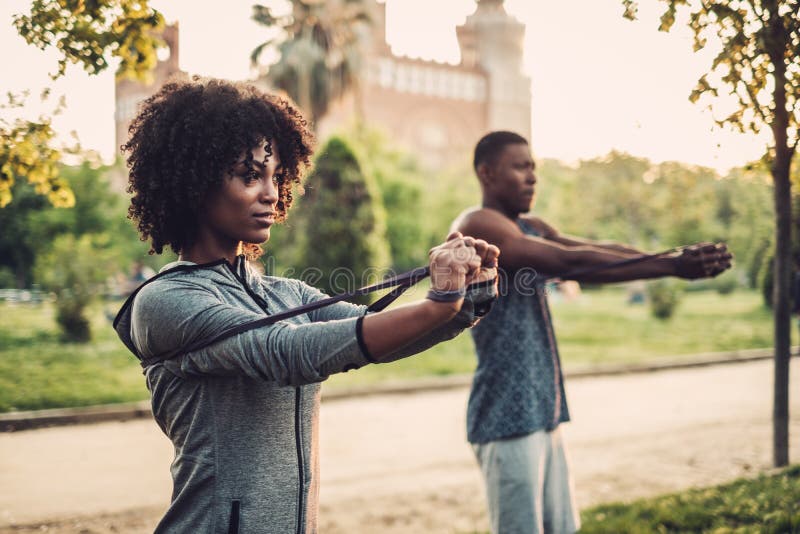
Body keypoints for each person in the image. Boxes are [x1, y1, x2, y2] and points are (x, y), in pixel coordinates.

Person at [113, 76, 499, 534]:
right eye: (250, 176)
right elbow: (289, 352)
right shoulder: (167, 301)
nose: (271, 194)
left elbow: (370, 334)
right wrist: (437, 302)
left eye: (276, 176)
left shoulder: (286, 293)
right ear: (195, 182)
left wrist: (468, 295)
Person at [450, 131, 733, 534]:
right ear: (487, 173)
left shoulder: (530, 225)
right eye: (520, 167)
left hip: (542, 407)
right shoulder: (478, 225)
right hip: (505, 414)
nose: (532, 177)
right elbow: (571, 263)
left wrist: (674, 258)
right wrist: (671, 267)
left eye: (534, 168)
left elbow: (597, 249)